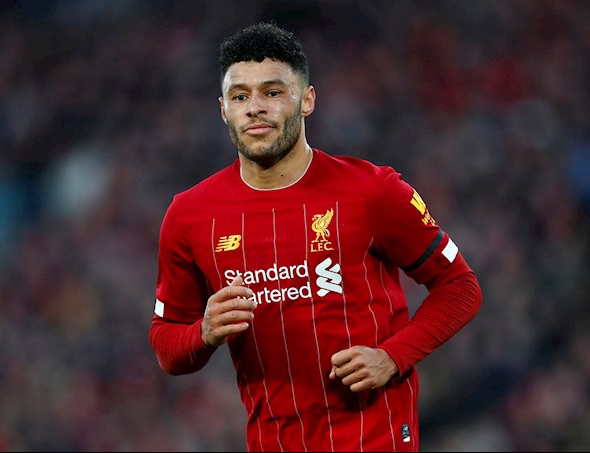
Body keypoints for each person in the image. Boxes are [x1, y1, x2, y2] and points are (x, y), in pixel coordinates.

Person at [148, 22, 482, 452]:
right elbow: (167, 344)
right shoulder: (189, 216)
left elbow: (460, 286)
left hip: (375, 439)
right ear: (223, 109)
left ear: (307, 100)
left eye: (272, 92)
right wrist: (204, 332)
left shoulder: (372, 191)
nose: (254, 108)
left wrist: (392, 357)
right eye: (240, 96)